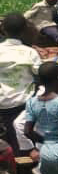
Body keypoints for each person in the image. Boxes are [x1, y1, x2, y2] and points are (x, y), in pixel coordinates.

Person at [0, 13, 41, 154]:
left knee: (9, 138)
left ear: (3, 29)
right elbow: (40, 74)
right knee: (23, 139)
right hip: (23, 106)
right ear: (24, 30)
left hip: (2, 106)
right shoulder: (30, 53)